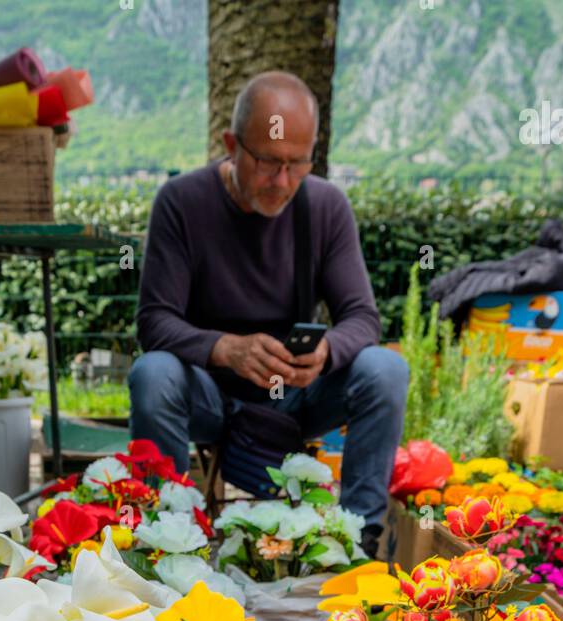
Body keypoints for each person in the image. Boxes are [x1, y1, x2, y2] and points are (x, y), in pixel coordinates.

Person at [129, 69, 409, 555]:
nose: (282, 182)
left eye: (298, 164)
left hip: (296, 394)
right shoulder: (181, 202)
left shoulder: (326, 206)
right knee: (152, 375)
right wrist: (223, 349)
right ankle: (169, 542)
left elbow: (363, 318)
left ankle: (359, 542)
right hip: (210, 394)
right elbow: (154, 322)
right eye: (267, 162)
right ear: (231, 143)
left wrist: (325, 351)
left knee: (385, 368)